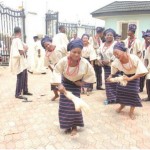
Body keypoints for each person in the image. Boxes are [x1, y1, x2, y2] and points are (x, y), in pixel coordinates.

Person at [51, 39, 96, 136]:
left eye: (79, 52)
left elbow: (91, 74)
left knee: (75, 105)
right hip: (65, 84)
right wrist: (59, 85)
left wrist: (82, 83)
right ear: (69, 51)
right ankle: (67, 125)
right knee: (64, 106)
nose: (76, 54)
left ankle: (74, 126)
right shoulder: (63, 61)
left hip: (76, 85)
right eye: (74, 52)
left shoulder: (85, 63)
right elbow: (56, 71)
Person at [108, 42, 148, 119]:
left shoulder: (133, 58)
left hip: (135, 76)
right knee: (121, 91)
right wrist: (110, 76)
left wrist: (130, 79)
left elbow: (142, 71)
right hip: (125, 76)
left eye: (117, 53)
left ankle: (131, 112)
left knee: (133, 93)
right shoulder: (117, 61)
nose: (116, 55)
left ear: (124, 51)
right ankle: (122, 106)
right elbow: (113, 68)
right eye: (114, 54)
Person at [9, 27, 32, 99]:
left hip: (22, 61)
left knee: (25, 76)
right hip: (19, 62)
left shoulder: (15, 40)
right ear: (20, 32)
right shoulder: (17, 40)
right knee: (20, 77)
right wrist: (25, 49)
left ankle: (25, 90)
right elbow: (21, 51)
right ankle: (18, 93)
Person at [41, 35, 67, 101]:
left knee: (65, 81)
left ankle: (65, 96)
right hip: (56, 68)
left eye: (48, 44)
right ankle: (56, 94)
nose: (48, 46)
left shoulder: (59, 47)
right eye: (46, 46)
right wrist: (52, 70)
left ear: (51, 42)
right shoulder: (47, 54)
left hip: (64, 65)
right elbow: (46, 63)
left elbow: (67, 52)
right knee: (53, 82)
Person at [98, 28, 118, 104]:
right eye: (107, 35)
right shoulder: (102, 44)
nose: (109, 36)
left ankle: (116, 98)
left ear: (113, 36)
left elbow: (117, 54)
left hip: (115, 66)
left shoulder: (116, 44)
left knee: (114, 81)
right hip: (105, 66)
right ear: (105, 36)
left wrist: (109, 60)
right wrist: (99, 60)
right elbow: (99, 53)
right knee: (107, 82)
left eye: (111, 35)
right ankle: (110, 98)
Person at [142, 32, 150, 101]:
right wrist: (145, 67)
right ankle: (149, 97)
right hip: (149, 68)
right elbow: (146, 59)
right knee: (148, 82)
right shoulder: (148, 48)